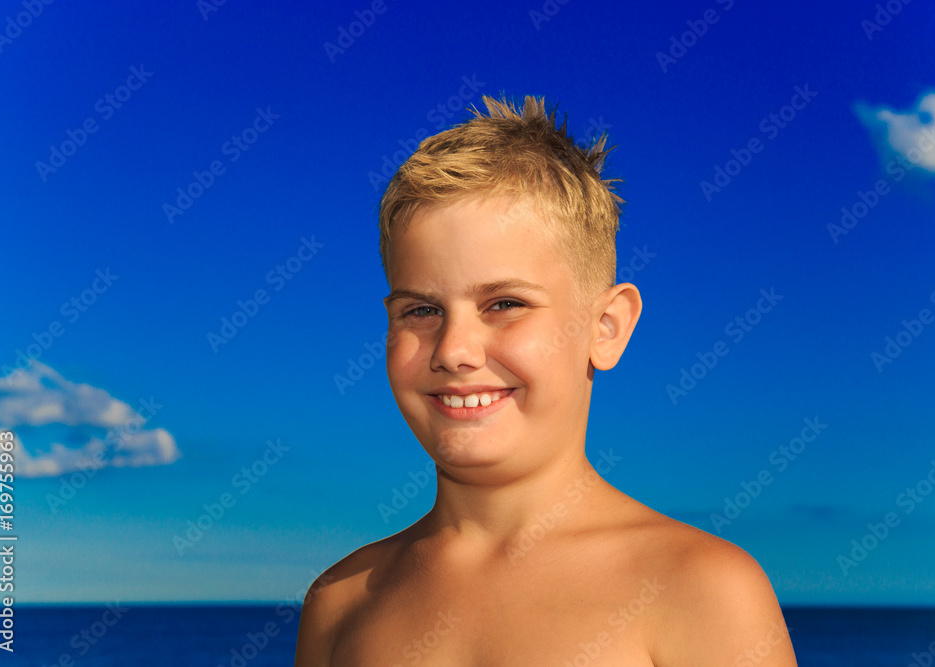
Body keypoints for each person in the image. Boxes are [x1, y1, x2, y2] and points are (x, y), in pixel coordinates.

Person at [295, 94, 797, 666]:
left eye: (504, 304)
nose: (454, 350)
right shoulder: (340, 603)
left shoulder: (700, 589)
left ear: (605, 328)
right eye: (422, 311)